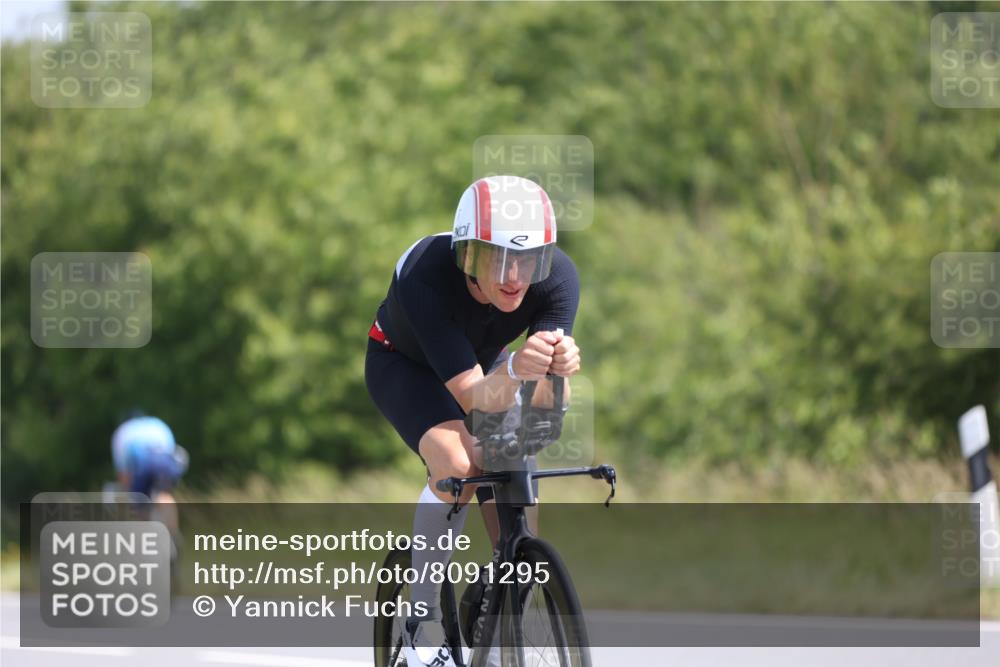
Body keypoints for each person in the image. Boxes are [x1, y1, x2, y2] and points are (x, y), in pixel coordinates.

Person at [365, 175, 582, 666]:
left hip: (484, 368)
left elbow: (541, 422)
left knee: (514, 454)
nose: (515, 277)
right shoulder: (425, 273)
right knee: (458, 462)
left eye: (529, 260)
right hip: (404, 366)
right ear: (467, 254)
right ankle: (423, 626)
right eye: (498, 258)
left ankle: (507, 587)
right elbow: (474, 401)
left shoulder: (559, 279)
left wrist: (557, 375)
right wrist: (513, 368)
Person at [111, 413, 188, 536]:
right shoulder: (158, 424)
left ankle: (147, 540)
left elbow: (124, 475)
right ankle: (173, 536)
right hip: (166, 464)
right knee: (164, 496)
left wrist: (130, 492)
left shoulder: (122, 432)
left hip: (143, 465)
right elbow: (172, 453)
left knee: (141, 505)